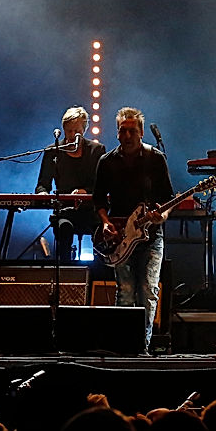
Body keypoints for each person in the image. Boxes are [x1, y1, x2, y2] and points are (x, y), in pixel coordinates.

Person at [92, 107, 174, 352]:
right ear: (117, 133)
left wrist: (162, 216)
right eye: (123, 130)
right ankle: (124, 346)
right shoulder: (106, 162)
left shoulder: (155, 158)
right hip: (120, 237)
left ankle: (143, 347)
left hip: (150, 236)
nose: (127, 135)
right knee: (125, 291)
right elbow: (98, 199)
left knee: (148, 290)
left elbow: (168, 198)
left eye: (132, 131)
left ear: (140, 133)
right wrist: (106, 222)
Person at [35, 106, 106, 260]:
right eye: (69, 131)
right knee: (64, 228)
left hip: (92, 211)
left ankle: (99, 276)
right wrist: (43, 194)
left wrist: (85, 192)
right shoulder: (53, 151)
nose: (72, 135)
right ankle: (67, 274)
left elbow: (102, 185)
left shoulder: (97, 151)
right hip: (64, 211)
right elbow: (42, 184)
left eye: (76, 131)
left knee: (101, 234)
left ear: (85, 129)